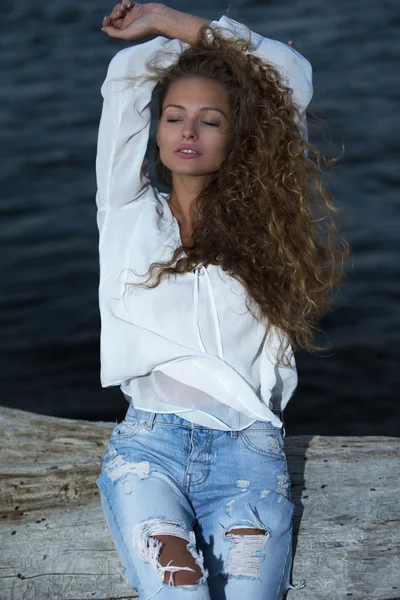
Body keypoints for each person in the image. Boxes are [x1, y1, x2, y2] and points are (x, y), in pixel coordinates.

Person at [95, 3, 350, 599]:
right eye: (174, 117)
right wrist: (210, 55)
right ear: (154, 131)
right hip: (149, 450)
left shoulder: (266, 224)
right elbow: (127, 78)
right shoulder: (127, 216)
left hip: (249, 453)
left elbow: (287, 73)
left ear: (236, 134)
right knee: (175, 591)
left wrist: (167, 17)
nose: (188, 131)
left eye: (211, 120)